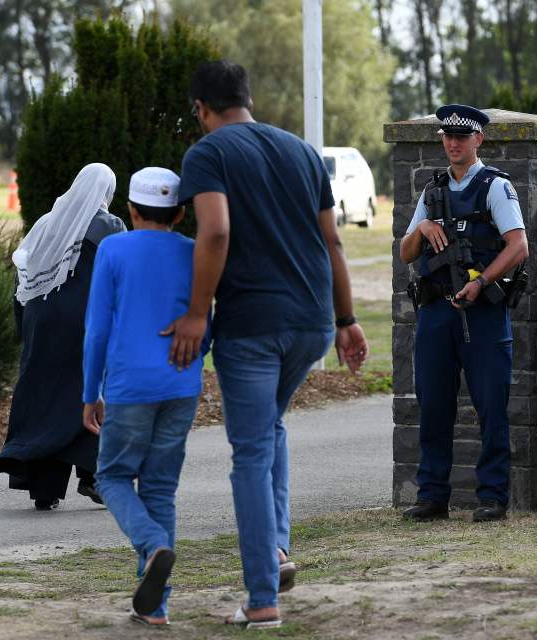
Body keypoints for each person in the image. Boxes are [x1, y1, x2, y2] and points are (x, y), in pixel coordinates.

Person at [168, 60, 369, 629]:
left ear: (201, 109)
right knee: (270, 429)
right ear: (247, 99)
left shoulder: (208, 154)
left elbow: (216, 231)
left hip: (252, 326)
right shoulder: (302, 152)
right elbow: (332, 239)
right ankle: (276, 552)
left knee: (250, 453)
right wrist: (346, 318)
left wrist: (195, 313)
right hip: (309, 321)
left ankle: (261, 599)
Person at [82, 167, 207, 626]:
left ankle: (153, 545)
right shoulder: (195, 252)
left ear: (129, 211)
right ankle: (156, 607)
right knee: (160, 488)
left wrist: (89, 391)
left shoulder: (113, 249)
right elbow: (205, 321)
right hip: (181, 385)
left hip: (130, 386)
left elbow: (97, 329)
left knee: (112, 476)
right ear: (178, 214)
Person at [398, 104, 529, 524]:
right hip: (436, 311)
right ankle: (432, 495)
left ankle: (493, 497)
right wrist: (421, 229)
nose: (453, 143)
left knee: (491, 404)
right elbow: (405, 253)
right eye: (447, 137)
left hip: (482, 311)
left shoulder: (495, 186)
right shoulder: (432, 190)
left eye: (462, 137)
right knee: (433, 404)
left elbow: (518, 246)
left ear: (479, 140)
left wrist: (481, 282)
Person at [0, 163, 126, 511]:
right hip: (84, 322)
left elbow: (24, 279)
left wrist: (23, 325)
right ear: (106, 193)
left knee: (46, 393)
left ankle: (44, 487)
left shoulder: (46, 223)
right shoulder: (110, 226)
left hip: (41, 320)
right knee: (92, 388)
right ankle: (95, 474)